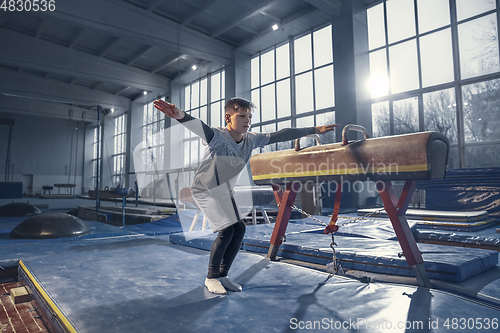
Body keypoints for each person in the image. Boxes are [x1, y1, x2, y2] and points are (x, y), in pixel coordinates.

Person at [154, 97, 338, 295]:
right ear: (228, 118)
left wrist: (313, 130)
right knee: (226, 230)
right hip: (205, 190)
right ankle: (211, 277)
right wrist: (180, 116)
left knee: (239, 229)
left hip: (224, 192)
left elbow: (280, 134)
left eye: (249, 116)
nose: (247, 120)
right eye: (242, 116)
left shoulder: (252, 139)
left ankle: (223, 275)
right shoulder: (218, 137)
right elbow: (201, 128)